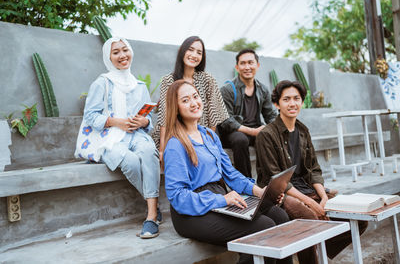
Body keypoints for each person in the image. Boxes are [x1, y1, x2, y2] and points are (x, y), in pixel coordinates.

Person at [162, 79, 292, 264]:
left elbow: (230, 174)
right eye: (185, 100)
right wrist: (222, 200)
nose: (193, 102)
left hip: (219, 199)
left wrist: (260, 192)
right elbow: (178, 197)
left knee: (280, 216)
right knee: (265, 227)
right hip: (191, 213)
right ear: (176, 108)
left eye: (195, 96)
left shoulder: (209, 135)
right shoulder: (175, 144)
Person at [255, 80, 367, 263]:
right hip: (281, 195)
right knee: (310, 219)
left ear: (302, 101)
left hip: (308, 189)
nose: (292, 103)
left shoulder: (302, 130)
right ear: (277, 104)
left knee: (359, 218)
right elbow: (276, 180)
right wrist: (310, 203)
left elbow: (314, 168)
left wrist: (322, 197)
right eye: (286, 99)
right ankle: (313, 252)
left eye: (296, 99)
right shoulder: (266, 135)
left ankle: (319, 246)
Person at [82, 37, 161, 238]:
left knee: (148, 151)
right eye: (115, 52)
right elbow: (90, 116)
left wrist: (143, 122)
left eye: (125, 50)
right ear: (108, 57)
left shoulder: (139, 85)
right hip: (109, 137)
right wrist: (117, 122)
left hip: (136, 134)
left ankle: (151, 216)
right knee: (132, 161)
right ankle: (152, 202)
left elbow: (147, 118)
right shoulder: (102, 83)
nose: (122, 55)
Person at [152, 36, 229, 161]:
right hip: (174, 134)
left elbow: (213, 116)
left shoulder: (208, 80)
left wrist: (207, 144)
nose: (194, 55)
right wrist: (162, 149)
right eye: (191, 50)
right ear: (182, 51)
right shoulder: (168, 80)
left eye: (199, 52)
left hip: (201, 135)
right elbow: (164, 117)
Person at [218, 49, 277, 178]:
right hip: (232, 133)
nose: (247, 67)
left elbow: (270, 115)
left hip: (255, 130)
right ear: (237, 67)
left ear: (258, 65)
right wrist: (252, 131)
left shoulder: (262, 89)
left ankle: (268, 181)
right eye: (243, 63)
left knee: (269, 137)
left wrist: (276, 129)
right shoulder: (227, 89)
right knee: (240, 140)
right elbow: (225, 120)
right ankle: (246, 185)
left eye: (251, 63)